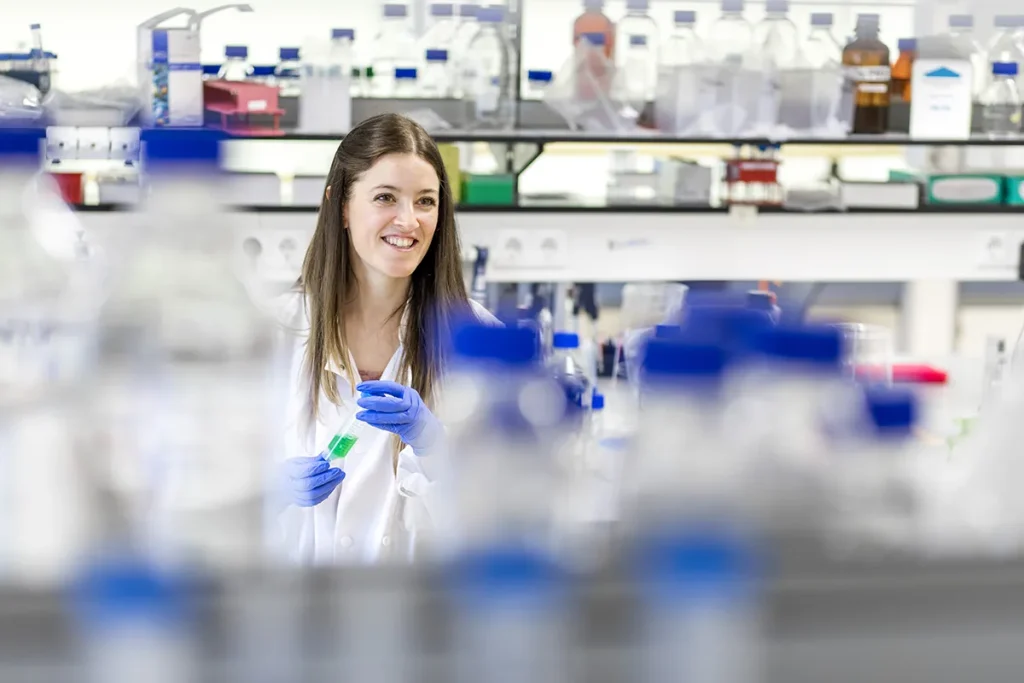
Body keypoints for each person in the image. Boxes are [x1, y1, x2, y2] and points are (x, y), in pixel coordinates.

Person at [272, 114, 496, 564]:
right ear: (341, 207)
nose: (409, 220)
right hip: (300, 608)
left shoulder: (477, 339)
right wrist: (269, 488)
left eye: (426, 201)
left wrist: (438, 450)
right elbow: (202, 489)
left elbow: (506, 510)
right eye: (385, 197)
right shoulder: (277, 330)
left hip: (428, 614)